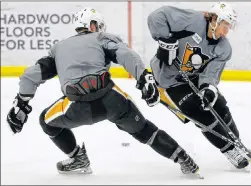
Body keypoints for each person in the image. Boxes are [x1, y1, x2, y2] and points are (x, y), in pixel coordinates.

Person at [6, 7, 200, 176]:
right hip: (111, 100)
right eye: (98, 25)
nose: (99, 29)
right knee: (144, 130)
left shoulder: (58, 48)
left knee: (46, 122)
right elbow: (126, 54)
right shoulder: (101, 38)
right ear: (91, 25)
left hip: (76, 107)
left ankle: (77, 158)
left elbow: (32, 75)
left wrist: (21, 103)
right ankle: (182, 157)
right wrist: (143, 77)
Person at [147, 2, 250, 169]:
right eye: (225, 25)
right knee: (196, 110)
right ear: (215, 19)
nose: (226, 31)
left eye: (229, 27)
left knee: (218, 104)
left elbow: (211, 73)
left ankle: (238, 144)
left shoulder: (224, 48)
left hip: (193, 78)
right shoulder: (192, 20)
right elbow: (157, 16)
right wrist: (165, 39)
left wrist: (208, 88)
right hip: (169, 81)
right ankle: (230, 150)